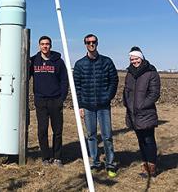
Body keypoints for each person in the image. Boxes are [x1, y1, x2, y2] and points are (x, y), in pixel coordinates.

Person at [73, 33, 118, 178]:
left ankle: (110, 164)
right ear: (85, 44)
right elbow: (76, 87)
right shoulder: (80, 64)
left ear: (97, 43)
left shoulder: (106, 61)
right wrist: (80, 105)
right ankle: (95, 163)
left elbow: (114, 80)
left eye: (94, 42)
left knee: (107, 136)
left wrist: (108, 96)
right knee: (91, 136)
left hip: (103, 106)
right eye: (88, 42)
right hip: (87, 106)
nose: (91, 44)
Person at [30, 35, 68, 166]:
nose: (45, 46)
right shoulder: (34, 61)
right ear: (39, 46)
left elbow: (64, 80)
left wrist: (61, 98)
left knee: (57, 131)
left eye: (47, 44)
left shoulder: (58, 61)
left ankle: (57, 157)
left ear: (50, 46)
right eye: (42, 44)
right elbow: (25, 75)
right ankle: (45, 157)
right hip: (41, 100)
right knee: (42, 130)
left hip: (55, 100)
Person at [123, 46, 160, 178]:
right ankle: (145, 166)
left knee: (149, 139)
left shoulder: (151, 72)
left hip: (146, 113)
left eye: (136, 58)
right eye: (132, 59)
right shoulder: (130, 73)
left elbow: (154, 93)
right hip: (133, 113)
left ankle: (152, 167)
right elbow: (126, 90)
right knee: (140, 140)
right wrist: (126, 103)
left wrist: (142, 105)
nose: (134, 61)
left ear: (141, 58)